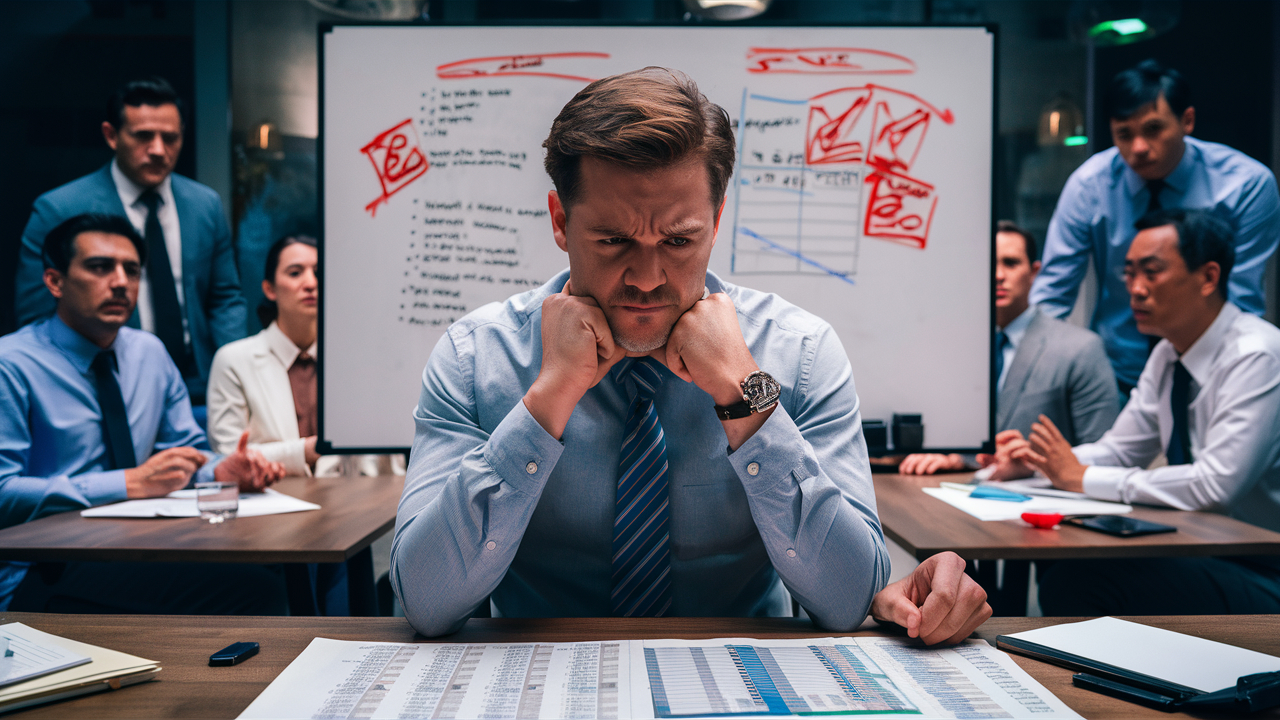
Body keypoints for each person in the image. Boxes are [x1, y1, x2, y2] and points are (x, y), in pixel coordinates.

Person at [391, 68, 990, 641]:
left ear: (716, 219)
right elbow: (427, 602)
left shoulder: (799, 352)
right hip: (539, 684)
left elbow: (848, 596)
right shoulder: (475, 358)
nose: (648, 277)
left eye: (679, 240)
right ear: (560, 220)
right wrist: (547, 400)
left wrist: (746, 394)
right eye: (613, 240)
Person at [993, 208, 1280, 614]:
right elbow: (1120, 449)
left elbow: (1214, 487)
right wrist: (1040, 463)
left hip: (1264, 567)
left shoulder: (1257, 354)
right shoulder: (1167, 354)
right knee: (1070, 566)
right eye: (1129, 273)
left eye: (1152, 271)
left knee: (1083, 582)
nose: (1136, 289)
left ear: (1209, 277)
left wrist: (1084, 476)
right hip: (1202, 547)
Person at [0, 214, 286, 613]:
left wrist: (220, 471)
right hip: (39, 568)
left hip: (143, 545)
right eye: (100, 267)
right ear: (54, 281)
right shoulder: (10, 364)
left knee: (274, 566)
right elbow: (3, 491)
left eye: (131, 270)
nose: (120, 282)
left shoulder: (148, 353)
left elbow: (187, 452)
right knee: (252, 589)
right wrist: (126, 483)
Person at [1029, 60, 1280, 397]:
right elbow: (1052, 297)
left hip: (1210, 372)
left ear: (1187, 120)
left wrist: (1227, 383)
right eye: (1124, 134)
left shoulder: (1246, 185)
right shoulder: (1090, 185)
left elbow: (1240, 300)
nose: (1138, 148)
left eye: (1153, 129)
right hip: (1115, 372)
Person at [13, 77, 245, 405]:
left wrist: (233, 371)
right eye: (143, 136)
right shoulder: (59, 209)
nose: (158, 150)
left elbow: (224, 298)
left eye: (170, 138)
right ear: (111, 135)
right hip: (104, 383)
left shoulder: (204, 204)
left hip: (199, 384)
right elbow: (37, 313)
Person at [899, 221, 1118, 475]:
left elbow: (1103, 455)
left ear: (1034, 272)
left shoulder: (1080, 349)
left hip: (1044, 504)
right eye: (989, 263)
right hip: (957, 495)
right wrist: (955, 458)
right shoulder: (953, 350)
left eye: (1011, 263)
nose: (998, 275)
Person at [206, 234, 405, 478]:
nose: (311, 283)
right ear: (269, 288)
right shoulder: (233, 361)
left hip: (350, 504)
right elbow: (229, 458)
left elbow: (388, 459)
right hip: (271, 504)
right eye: (295, 273)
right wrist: (306, 451)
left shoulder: (356, 360)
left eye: (318, 273)